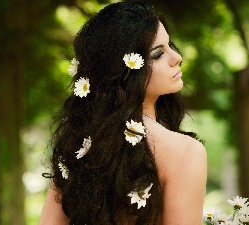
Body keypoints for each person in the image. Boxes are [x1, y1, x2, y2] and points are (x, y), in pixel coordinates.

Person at [39, 1, 207, 225]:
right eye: (158, 54)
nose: (176, 57)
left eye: (170, 46)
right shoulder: (185, 153)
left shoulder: (77, 146)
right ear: (124, 71)